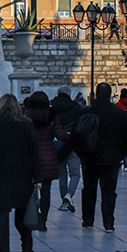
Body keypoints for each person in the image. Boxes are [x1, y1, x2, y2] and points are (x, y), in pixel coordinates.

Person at [0, 94, 42, 252]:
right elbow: (34, 151)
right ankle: (27, 247)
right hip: (23, 174)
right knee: (23, 212)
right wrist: (37, 176)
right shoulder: (26, 125)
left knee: (0, 213)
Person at [77, 82, 127, 233]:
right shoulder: (118, 113)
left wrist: (81, 153)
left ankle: (88, 221)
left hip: (90, 156)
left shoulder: (86, 112)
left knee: (89, 189)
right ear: (109, 95)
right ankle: (108, 223)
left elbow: (78, 135)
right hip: (111, 156)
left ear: (95, 94)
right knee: (108, 192)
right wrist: (121, 154)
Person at [24, 91, 70, 231]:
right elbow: (60, 135)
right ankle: (43, 221)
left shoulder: (27, 116)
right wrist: (75, 136)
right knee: (46, 191)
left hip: (29, 156)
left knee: (28, 190)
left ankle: (30, 218)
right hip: (47, 155)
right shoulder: (51, 115)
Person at [51, 85, 81, 213]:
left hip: (57, 143)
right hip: (72, 142)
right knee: (75, 173)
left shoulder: (52, 107)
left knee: (62, 174)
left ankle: (64, 199)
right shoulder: (75, 107)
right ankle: (69, 195)